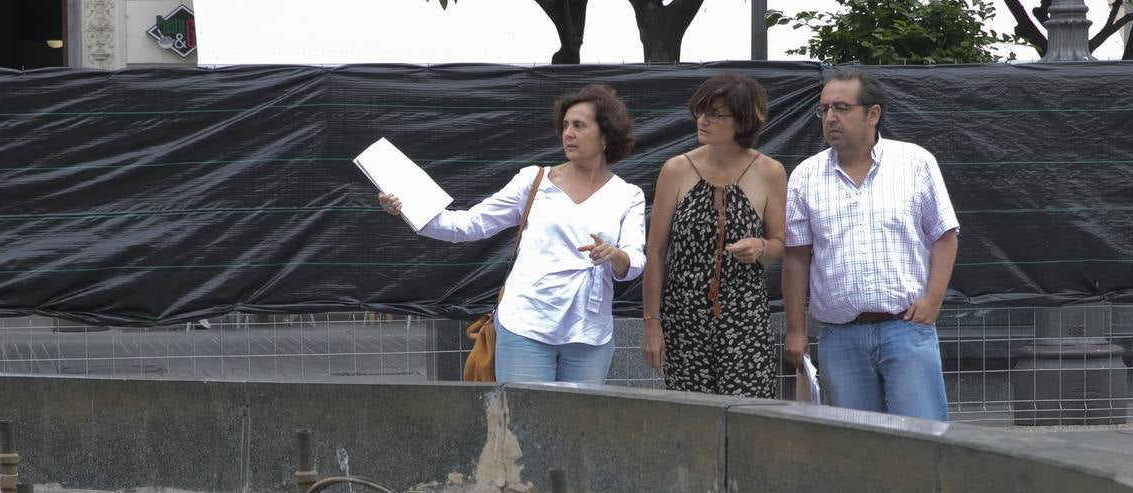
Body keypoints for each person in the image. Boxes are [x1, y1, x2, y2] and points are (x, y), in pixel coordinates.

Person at [379, 84, 645, 384]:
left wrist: (615, 255)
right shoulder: (534, 180)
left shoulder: (628, 195)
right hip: (524, 327)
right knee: (521, 425)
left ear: (606, 135)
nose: (567, 133)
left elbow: (634, 261)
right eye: (565, 125)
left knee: (580, 428)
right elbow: (470, 224)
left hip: (589, 335)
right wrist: (408, 208)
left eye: (579, 126)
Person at [782, 71, 959, 421]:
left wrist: (932, 301)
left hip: (906, 328)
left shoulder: (915, 162)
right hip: (840, 336)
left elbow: (945, 235)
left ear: (873, 114)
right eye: (824, 110)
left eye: (842, 108)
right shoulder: (805, 175)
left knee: (926, 439)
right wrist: (796, 330)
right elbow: (796, 259)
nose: (830, 118)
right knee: (857, 449)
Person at [641, 75, 787, 399]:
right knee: (691, 420)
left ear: (743, 120)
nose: (702, 120)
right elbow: (655, 251)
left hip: (745, 318)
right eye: (700, 111)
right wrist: (652, 322)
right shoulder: (675, 169)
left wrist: (761, 247)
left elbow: (780, 243)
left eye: (715, 113)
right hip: (684, 319)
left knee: (749, 417)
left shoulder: (770, 172)